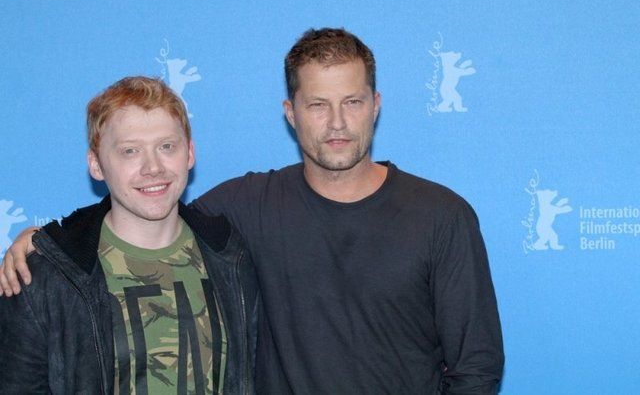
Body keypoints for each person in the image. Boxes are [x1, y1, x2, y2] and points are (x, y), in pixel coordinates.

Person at [1, 28, 504, 394]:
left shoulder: (442, 216)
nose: (337, 123)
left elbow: (476, 368)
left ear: (375, 105)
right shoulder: (246, 207)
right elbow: (146, 203)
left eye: (351, 102)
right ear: (290, 113)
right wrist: (45, 241)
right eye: (317, 105)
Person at [0, 77, 259, 394]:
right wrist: (48, 244)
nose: (153, 167)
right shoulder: (44, 277)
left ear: (190, 153)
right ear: (96, 165)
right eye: (130, 151)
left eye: (166, 146)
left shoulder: (231, 258)